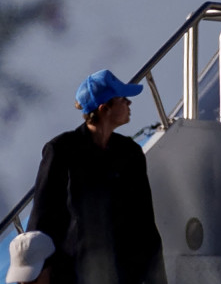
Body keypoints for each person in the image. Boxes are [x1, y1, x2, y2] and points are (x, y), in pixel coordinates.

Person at [27, 70, 168, 284]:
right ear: (105, 109)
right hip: (72, 273)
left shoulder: (130, 153)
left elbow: (144, 223)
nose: (129, 104)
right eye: (122, 99)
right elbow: (42, 216)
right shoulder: (61, 150)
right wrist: (40, 269)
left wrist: (157, 279)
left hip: (122, 274)